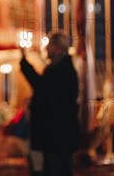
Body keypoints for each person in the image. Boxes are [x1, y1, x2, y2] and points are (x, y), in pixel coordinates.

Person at [20, 32, 80, 176]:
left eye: (49, 46)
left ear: (58, 48)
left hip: (57, 136)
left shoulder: (63, 71)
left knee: (58, 169)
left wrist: (24, 61)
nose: (46, 49)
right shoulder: (58, 69)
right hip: (54, 137)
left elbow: (41, 86)